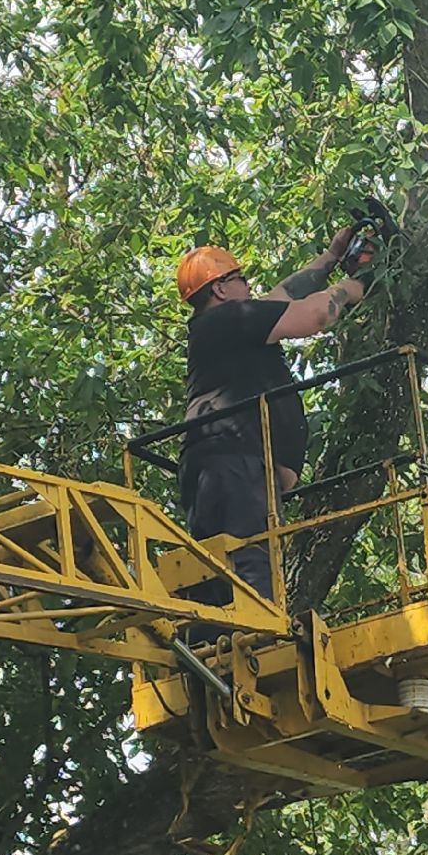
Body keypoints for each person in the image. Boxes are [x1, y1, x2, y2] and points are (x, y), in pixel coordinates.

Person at [174, 227, 374, 605]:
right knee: (249, 566)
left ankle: (210, 645)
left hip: (222, 467)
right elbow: (314, 314)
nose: (249, 287)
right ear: (220, 289)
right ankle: (258, 640)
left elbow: (284, 295)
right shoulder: (229, 320)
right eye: (240, 279)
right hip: (232, 463)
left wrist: (330, 257)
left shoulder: (228, 328)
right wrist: (353, 287)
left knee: (219, 573)